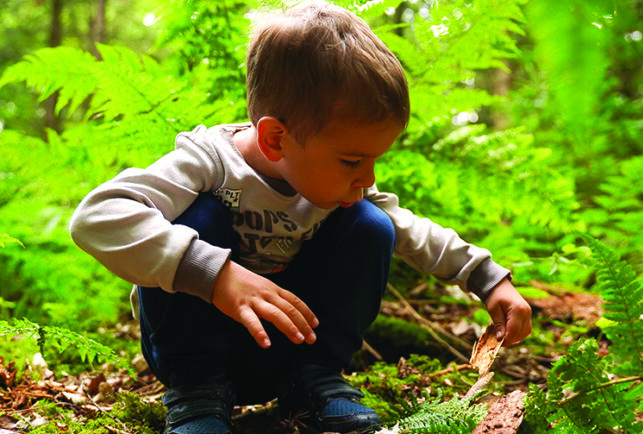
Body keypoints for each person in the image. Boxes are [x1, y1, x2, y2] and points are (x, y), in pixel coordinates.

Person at [69, 1, 532, 433]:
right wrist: (217, 275)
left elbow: (408, 228)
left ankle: (313, 380)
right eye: (352, 160)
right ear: (275, 139)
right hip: (195, 353)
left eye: (374, 160)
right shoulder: (208, 162)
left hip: (287, 347)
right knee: (198, 215)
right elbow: (97, 217)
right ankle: (195, 394)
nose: (367, 175)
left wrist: (488, 279)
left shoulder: (339, 184)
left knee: (373, 224)